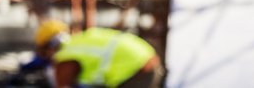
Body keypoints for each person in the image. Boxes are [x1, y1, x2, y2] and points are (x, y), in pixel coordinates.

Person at [29, 20, 164, 88]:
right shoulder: (80, 40)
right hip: (148, 61)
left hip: (137, 70)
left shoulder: (65, 57)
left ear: (50, 45)